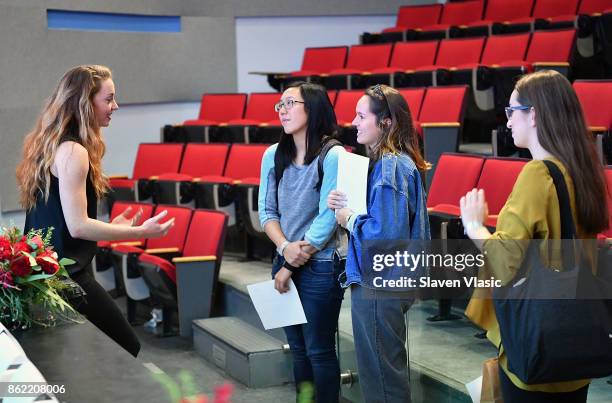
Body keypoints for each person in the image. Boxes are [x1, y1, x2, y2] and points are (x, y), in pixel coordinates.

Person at [460, 70, 609, 402]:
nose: (508, 121)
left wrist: (475, 227)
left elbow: (506, 260)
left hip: (536, 345)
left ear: (535, 114)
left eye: (513, 111)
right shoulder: (583, 170)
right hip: (575, 344)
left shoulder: (537, 174)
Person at [16, 65, 174, 357]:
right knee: (129, 345)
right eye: (109, 98)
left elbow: (66, 222)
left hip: (45, 271)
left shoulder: (51, 145)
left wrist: (109, 225)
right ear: (85, 103)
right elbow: (77, 227)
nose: (115, 106)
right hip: (65, 274)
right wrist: (137, 232)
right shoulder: (74, 152)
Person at [327, 84, 430, 403]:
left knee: (382, 381)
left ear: (386, 123)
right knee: (386, 375)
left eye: (361, 116)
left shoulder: (390, 166)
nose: (354, 122)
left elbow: (384, 236)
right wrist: (344, 206)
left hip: (380, 284)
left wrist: (348, 218)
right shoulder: (395, 163)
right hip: (387, 284)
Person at [258, 81, 347, 403]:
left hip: (322, 266)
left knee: (318, 349)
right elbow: (265, 211)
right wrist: (284, 250)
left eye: (290, 103)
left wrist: (294, 258)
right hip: (284, 258)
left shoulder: (333, 154)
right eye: (279, 105)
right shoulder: (273, 154)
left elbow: (328, 216)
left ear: (313, 108)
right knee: (297, 350)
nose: (282, 110)